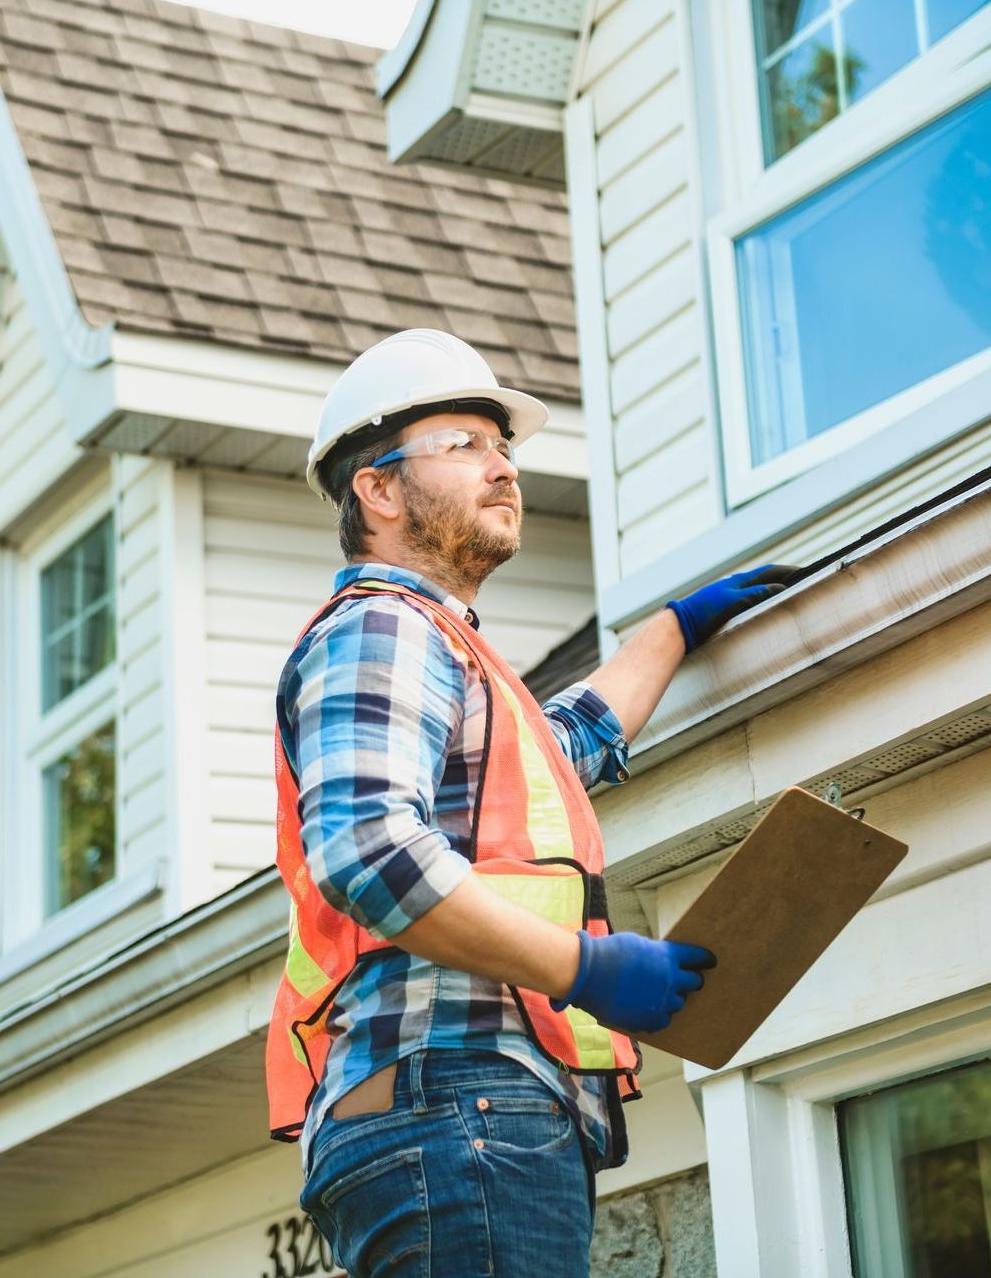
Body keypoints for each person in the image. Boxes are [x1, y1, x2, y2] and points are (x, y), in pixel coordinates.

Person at [265, 329, 799, 1277]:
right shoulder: (383, 626)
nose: (502, 466)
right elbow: (370, 852)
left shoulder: (451, 653)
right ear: (377, 491)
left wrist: (672, 631)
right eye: (463, 444)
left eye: (504, 446)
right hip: (458, 1104)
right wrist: (586, 969)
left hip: (462, 1114)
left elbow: (565, 748)